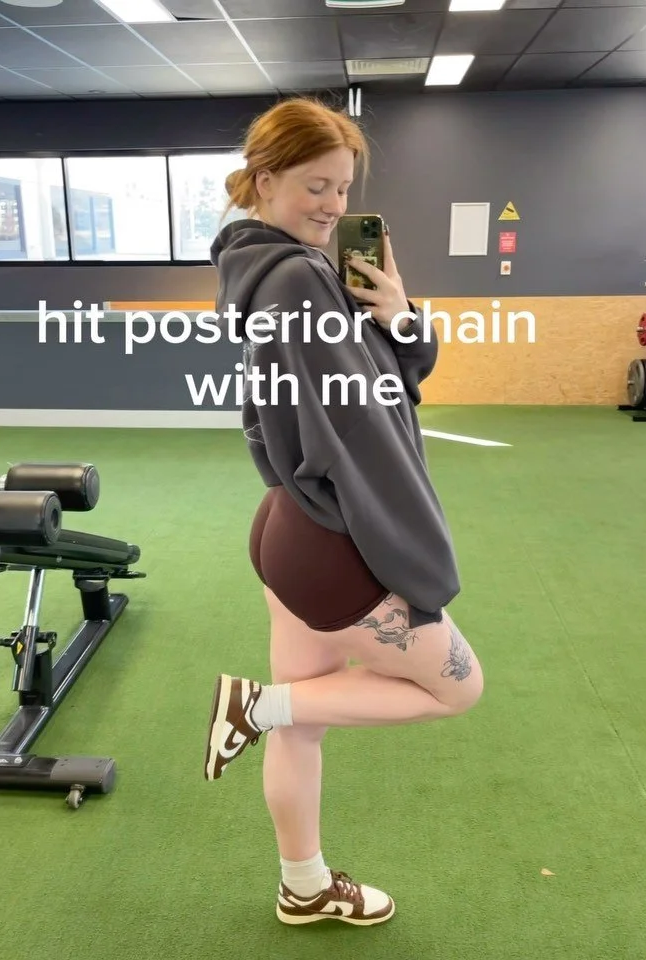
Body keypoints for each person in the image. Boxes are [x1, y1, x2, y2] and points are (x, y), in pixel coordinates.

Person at [204, 96, 484, 927]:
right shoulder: (297, 278)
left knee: (308, 720)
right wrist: (418, 556)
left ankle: (304, 885)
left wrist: (398, 315)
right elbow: (362, 434)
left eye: (342, 188)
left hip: (290, 522)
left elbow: (386, 379)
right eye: (315, 186)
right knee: (458, 690)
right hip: (329, 536)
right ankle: (254, 707)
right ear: (265, 180)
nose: (332, 205)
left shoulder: (280, 265)